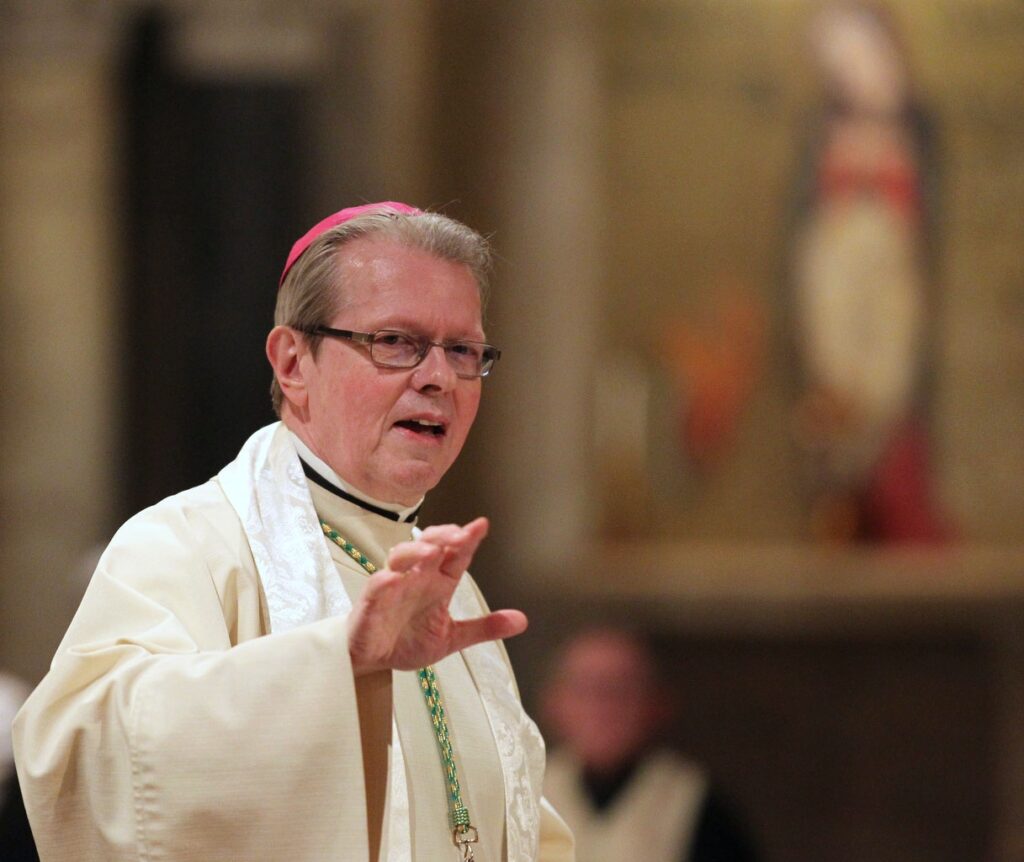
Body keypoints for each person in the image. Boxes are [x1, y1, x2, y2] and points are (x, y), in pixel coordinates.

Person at [14, 202, 574, 862]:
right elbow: (84, 761)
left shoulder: (448, 585)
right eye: (396, 342)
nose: (438, 377)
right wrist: (336, 659)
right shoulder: (185, 544)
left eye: (463, 351)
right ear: (292, 363)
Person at [542, 628, 757, 862]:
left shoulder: (697, 803)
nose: (602, 707)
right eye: (585, 689)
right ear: (554, 702)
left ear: (656, 704)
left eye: (621, 689)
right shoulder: (527, 792)